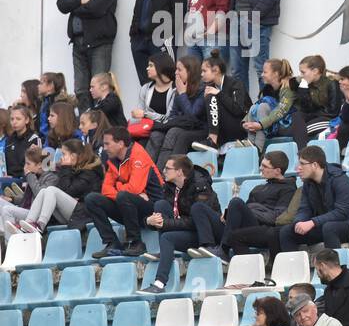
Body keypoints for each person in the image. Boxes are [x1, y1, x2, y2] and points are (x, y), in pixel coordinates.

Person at [136, 155, 222, 295]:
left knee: (168, 237)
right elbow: (163, 219)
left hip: (206, 233)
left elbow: (197, 221)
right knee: (160, 204)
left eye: (167, 168)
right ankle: (165, 252)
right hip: (188, 230)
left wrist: (166, 223)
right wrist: (149, 221)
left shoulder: (200, 185)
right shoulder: (170, 187)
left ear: (179, 172)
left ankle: (159, 283)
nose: (163, 171)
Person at [85, 126, 165, 259]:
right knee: (92, 199)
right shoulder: (113, 160)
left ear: (121, 143)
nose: (104, 148)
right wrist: (120, 187)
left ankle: (136, 243)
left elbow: (135, 188)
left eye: (107, 144)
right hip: (129, 207)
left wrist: (118, 187)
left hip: (153, 209)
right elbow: (105, 190)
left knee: (124, 196)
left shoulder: (139, 155)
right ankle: (112, 243)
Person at [56, 0, 118, 109]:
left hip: (98, 43)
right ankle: (86, 128)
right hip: (78, 42)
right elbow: (61, 4)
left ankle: (99, 127)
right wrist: (82, 0)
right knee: (81, 90)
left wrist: (74, 2)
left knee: (99, 89)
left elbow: (96, 8)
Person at [278, 145, 349, 254]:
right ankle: (295, 267)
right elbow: (304, 209)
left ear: (315, 165)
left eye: (302, 164)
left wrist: (312, 222)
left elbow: (341, 213)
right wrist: (299, 222)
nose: (298, 168)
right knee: (287, 231)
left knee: (329, 228)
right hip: (323, 224)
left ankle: (335, 267)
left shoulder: (339, 179)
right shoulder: (308, 183)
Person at [211, 150, 297, 259]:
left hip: (265, 228)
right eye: (261, 165)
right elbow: (245, 210)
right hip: (248, 225)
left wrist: (252, 209)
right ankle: (208, 245)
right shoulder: (258, 188)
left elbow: (277, 217)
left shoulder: (288, 189)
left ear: (277, 171)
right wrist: (229, 213)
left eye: (265, 166)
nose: (261, 168)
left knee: (236, 202)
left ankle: (223, 249)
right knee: (200, 208)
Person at [13, 137, 102, 235]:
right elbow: (63, 188)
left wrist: (66, 168)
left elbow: (66, 190)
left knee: (51, 190)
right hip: (73, 211)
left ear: (73, 156)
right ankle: (29, 223)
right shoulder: (73, 168)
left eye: (64, 154)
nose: (61, 157)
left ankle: (40, 225)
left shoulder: (88, 172)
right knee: (44, 191)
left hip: (84, 213)